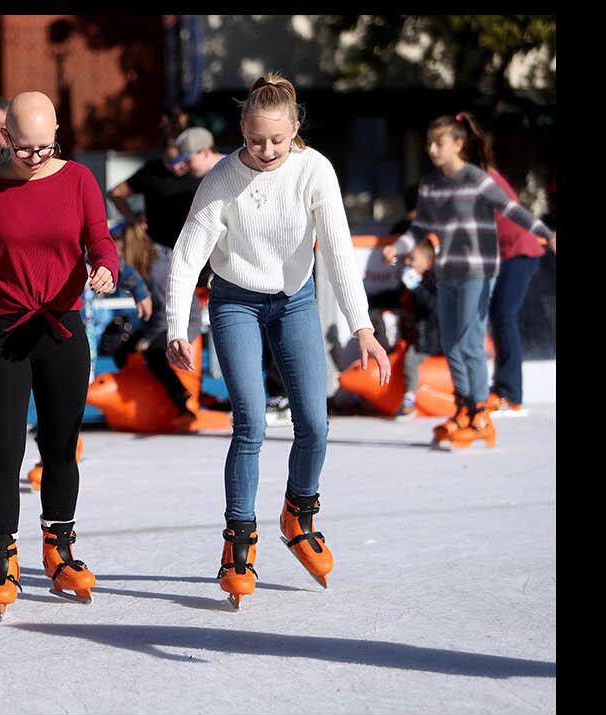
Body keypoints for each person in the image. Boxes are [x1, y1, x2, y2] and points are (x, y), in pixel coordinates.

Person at [165, 74, 389, 606]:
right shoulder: (221, 178)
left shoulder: (314, 170)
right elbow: (186, 256)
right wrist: (179, 326)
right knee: (249, 421)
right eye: (255, 139)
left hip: (295, 299)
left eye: (277, 140)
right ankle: (238, 544)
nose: (266, 151)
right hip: (235, 299)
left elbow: (336, 250)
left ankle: (299, 515)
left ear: (295, 129)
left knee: (315, 421)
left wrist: (363, 327)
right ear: (242, 129)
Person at [0, 91, 118, 615]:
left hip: (61, 332)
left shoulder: (78, 179)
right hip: (3, 333)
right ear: (5, 137)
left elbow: (101, 239)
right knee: (4, 451)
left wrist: (106, 266)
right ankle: (1, 556)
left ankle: (59, 550)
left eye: (45, 146)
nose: (35, 158)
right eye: (24, 148)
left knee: (60, 448)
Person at [380, 112, 555, 449]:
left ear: (458, 144)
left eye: (439, 142)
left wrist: (546, 234)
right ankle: (464, 408)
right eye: (429, 142)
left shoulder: (477, 179)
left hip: (479, 270)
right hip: (448, 270)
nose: (431, 149)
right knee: (452, 344)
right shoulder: (430, 184)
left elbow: (513, 210)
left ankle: (479, 414)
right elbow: (420, 227)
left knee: (470, 342)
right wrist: (399, 247)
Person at [112, 222, 202, 426]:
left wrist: (147, 338)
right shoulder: (145, 267)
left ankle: (182, 400)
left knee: (155, 352)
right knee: (122, 351)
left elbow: (166, 310)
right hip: (160, 322)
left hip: (183, 320)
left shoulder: (157, 270)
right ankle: (144, 390)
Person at [486, 166, 549, 417]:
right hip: (509, 252)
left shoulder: (481, 175)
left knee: (504, 315)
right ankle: (503, 387)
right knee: (499, 315)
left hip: (520, 250)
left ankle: (511, 393)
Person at [368, 240, 441, 419]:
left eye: (412, 259)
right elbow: (394, 298)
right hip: (408, 337)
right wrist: (366, 300)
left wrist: (417, 288)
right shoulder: (407, 283)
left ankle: (409, 401)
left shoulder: (433, 283)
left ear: (427, 263)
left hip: (427, 342)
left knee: (410, 359)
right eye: (406, 258)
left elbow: (434, 308)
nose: (407, 263)